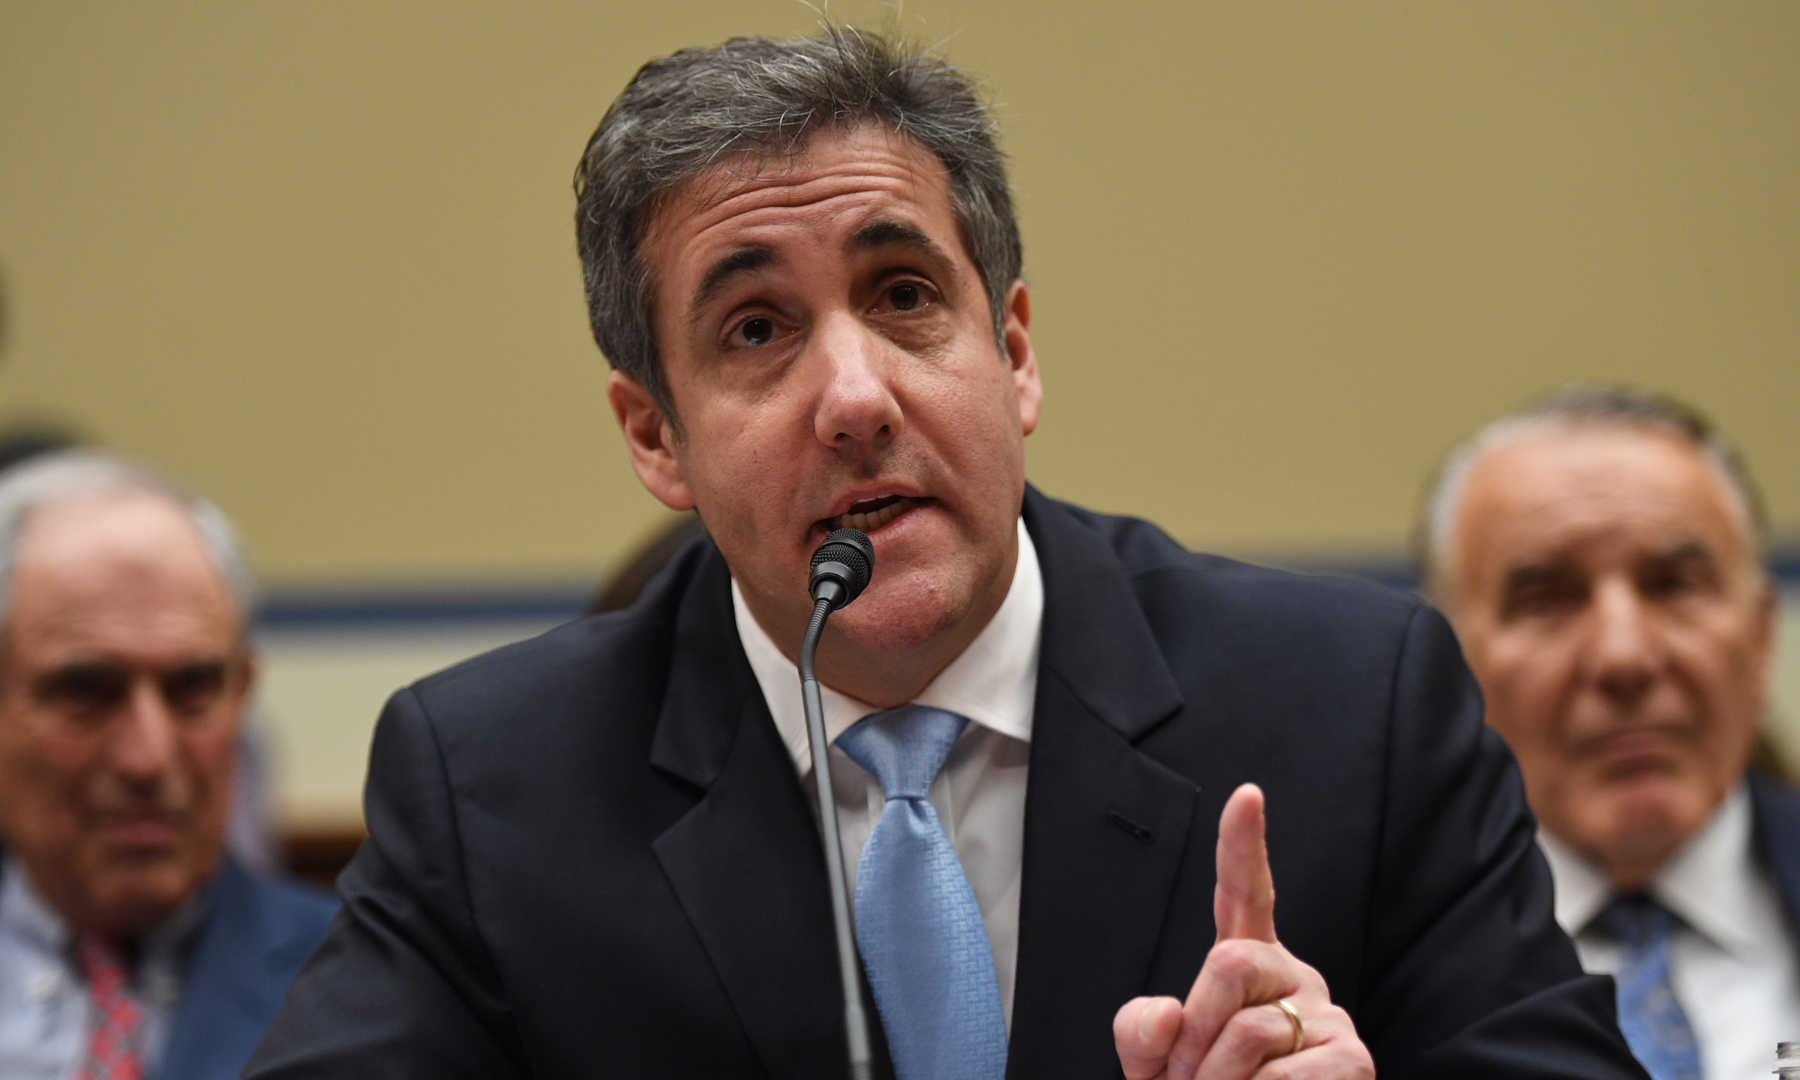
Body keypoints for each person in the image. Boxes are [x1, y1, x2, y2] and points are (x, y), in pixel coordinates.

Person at [246, 30, 1643, 1080]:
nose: (855, 396)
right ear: (653, 437)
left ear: (1015, 352)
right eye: (755, 331)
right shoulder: (496, 788)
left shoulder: (1354, 707)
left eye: (904, 294)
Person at [0, 453, 337, 1080]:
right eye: (85, 691)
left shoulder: (373, 988)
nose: (147, 757)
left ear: (243, 693)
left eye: (192, 687)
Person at [1419, 385, 1797, 1080]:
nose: (1624, 656)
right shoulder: (1361, 963)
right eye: (1547, 601)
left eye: (1674, 585)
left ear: (1762, 638)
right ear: (1446, 668)